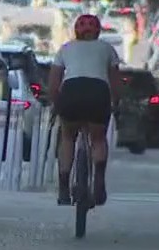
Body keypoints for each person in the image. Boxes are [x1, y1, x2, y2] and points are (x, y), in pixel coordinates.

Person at [47, 14, 122, 206]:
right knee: (97, 138)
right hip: (98, 92)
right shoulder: (107, 49)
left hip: (71, 92)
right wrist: (115, 102)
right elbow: (115, 80)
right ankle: (98, 180)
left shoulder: (65, 49)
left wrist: (56, 104)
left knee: (67, 137)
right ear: (98, 31)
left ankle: (64, 188)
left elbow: (54, 81)